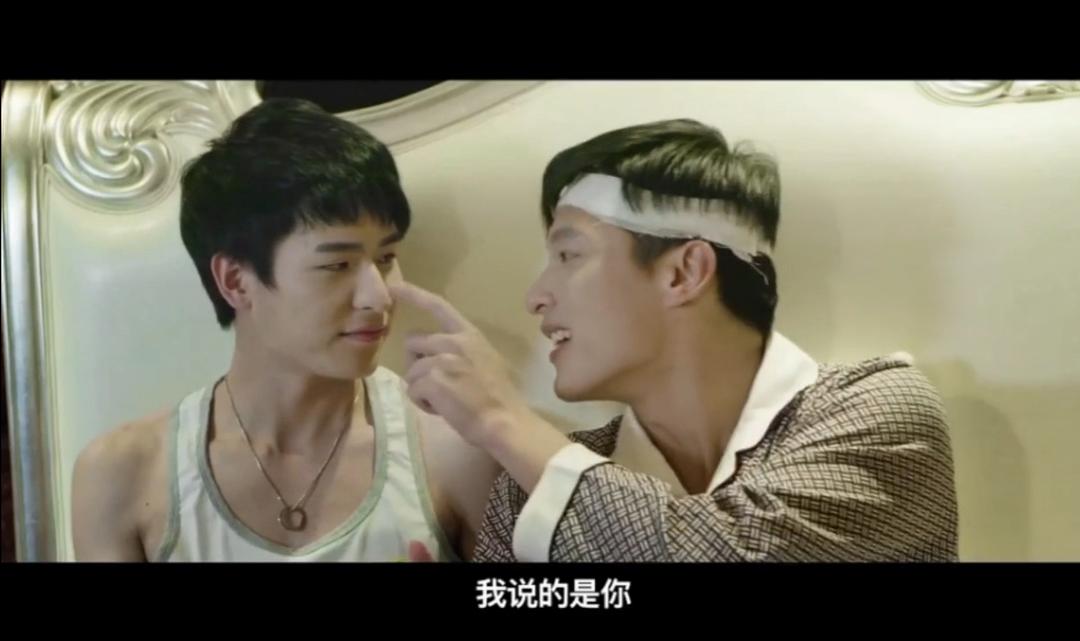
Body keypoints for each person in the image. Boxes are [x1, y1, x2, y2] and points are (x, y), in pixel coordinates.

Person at [395, 118, 959, 562]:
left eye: (568, 254)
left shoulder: (877, 410)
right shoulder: (533, 482)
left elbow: (728, 550)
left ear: (684, 272)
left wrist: (503, 420)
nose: (537, 296)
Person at [71, 98, 498, 562]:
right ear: (236, 281)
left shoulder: (455, 450)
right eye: (337, 264)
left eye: (386, 258)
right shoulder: (124, 474)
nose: (379, 296)